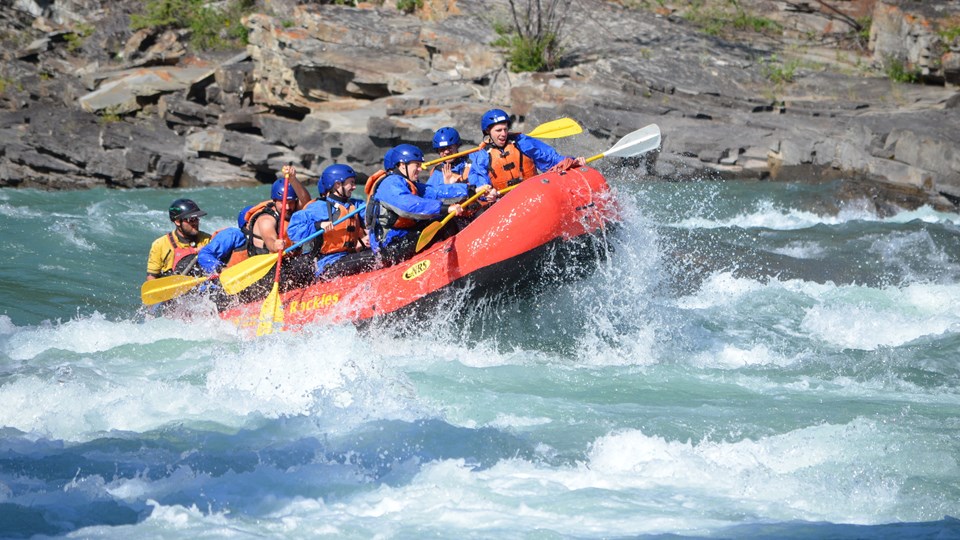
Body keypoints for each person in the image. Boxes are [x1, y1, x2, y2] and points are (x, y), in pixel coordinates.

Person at [365, 143, 482, 266]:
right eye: (417, 165)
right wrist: (445, 208)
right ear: (401, 165)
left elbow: (436, 191)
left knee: (453, 219)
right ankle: (457, 261)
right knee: (445, 222)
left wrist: (471, 190)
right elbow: (408, 206)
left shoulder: (409, 183)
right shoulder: (390, 183)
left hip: (404, 235)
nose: (421, 169)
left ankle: (468, 250)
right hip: (390, 247)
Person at [287, 163, 378, 280]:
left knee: (380, 251)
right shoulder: (320, 207)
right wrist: (318, 225)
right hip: (328, 264)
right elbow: (293, 230)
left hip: (349, 256)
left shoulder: (356, 205)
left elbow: (372, 216)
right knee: (373, 257)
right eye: (351, 183)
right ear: (337, 184)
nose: (354, 187)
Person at [467, 108, 586, 191]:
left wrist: (572, 161)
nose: (503, 134)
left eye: (505, 129)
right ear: (488, 131)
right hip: (503, 202)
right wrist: (485, 192)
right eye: (498, 130)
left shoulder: (522, 142)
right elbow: (479, 180)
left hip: (532, 192)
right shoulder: (481, 155)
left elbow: (551, 159)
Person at [243, 169, 309, 256]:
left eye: (291, 202)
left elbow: (306, 202)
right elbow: (269, 238)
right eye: (283, 203)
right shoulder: (266, 219)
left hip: (288, 259)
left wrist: (293, 179)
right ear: (274, 201)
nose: (287, 207)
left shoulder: (293, 210)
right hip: (267, 263)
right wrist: (275, 245)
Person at [145, 198, 212, 281]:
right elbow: (151, 276)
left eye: (196, 219)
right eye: (191, 220)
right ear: (177, 222)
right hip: (174, 287)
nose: (195, 223)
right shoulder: (160, 244)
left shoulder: (207, 239)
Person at [195, 206, 252, 274]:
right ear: (247, 224)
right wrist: (220, 269)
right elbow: (204, 254)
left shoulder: (265, 241)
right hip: (221, 280)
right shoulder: (233, 235)